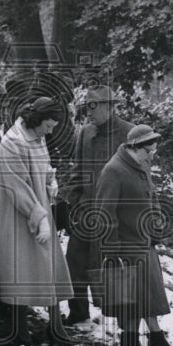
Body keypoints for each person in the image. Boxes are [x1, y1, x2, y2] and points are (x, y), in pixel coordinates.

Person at [0, 97, 76, 346]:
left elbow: (43, 166)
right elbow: (16, 186)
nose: (50, 131)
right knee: (20, 267)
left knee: (46, 266)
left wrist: (51, 180)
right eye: (48, 126)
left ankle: (54, 327)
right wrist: (39, 218)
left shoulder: (37, 137)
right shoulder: (13, 142)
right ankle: (20, 331)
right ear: (36, 120)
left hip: (38, 207)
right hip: (18, 214)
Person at [95, 125, 173, 346]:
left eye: (153, 151)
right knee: (128, 301)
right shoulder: (114, 171)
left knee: (145, 297)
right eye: (148, 151)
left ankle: (145, 342)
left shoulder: (141, 165)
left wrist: (156, 227)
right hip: (125, 246)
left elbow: (151, 198)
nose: (151, 156)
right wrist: (113, 248)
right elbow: (104, 213)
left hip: (144, 243)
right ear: (133, 147)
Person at [62, 85, 134, 326]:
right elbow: (77, 170)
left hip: (115, 215)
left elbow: (137, 178)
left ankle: (121, 318)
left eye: (94, 107)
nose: (89, 112)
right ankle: (78, 310)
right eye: (87, 107)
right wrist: (72, 201)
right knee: (74, 259)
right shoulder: (85, 132)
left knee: (113, 265)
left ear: (110, 107)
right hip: (85, 210)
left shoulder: (130, 134)